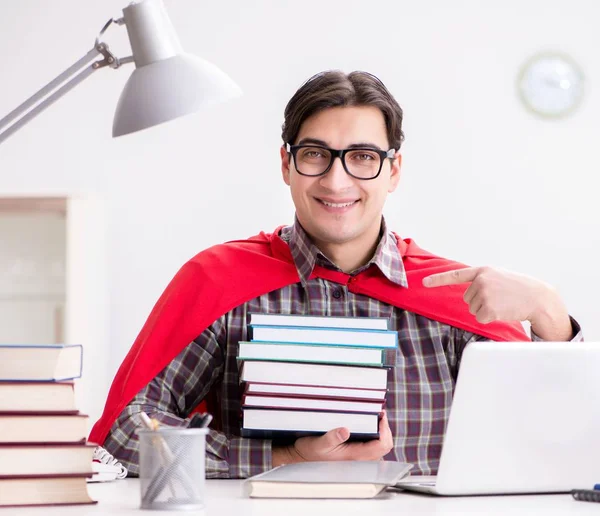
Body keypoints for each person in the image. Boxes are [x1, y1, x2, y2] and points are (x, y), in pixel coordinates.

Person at [90, 70, 582, 478]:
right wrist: (281, 457)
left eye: (363, 157)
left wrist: (547, 311)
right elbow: (128, 431)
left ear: (394, 171)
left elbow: (556, 434)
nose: (336, 179)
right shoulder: (218, 280)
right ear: (287, 164)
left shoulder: (454, 296)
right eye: (315, 154)